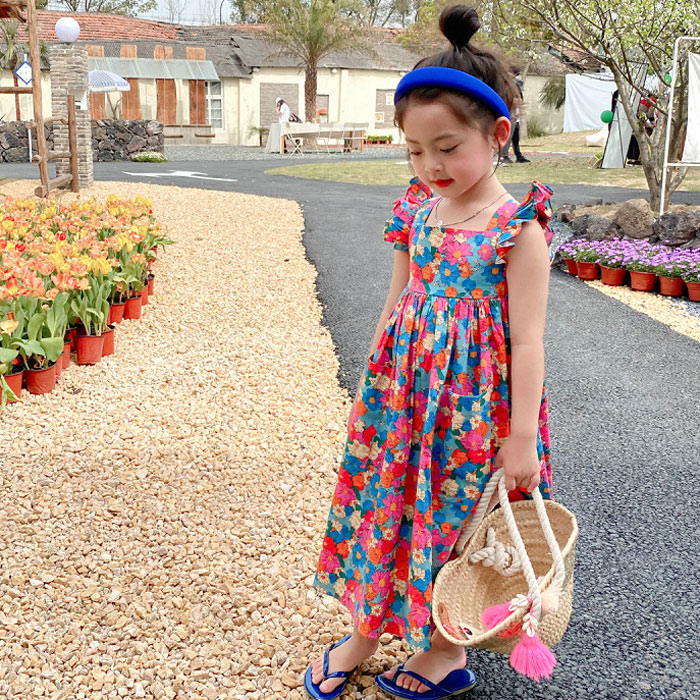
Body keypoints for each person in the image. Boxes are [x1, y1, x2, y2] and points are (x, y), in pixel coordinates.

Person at [305, 4, 555, 699]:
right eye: (415, 151)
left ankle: (445, 648)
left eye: (447, 147)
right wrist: (371, 383)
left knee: (454, 524)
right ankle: (365, 630)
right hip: (403, 400)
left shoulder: (518, 229)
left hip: (473, 415)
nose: (430, 165)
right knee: (384, 509)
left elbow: (529, 339)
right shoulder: (416, 210)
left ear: (497, 134)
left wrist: (521, 437)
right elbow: (397, 301)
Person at [500, 67, 529, 164]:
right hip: (510, 113)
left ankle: (518, 155)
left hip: (515, 113)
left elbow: (519, 98)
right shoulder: (505, 85)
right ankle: (504, 156)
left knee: (515, 136)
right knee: (508, 135)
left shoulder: (515, 84)